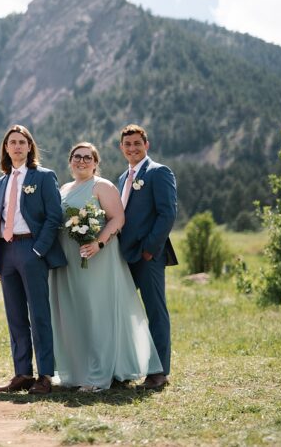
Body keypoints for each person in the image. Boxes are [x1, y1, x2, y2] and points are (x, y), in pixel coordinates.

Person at [50, 142, 163, 391]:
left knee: (97, 312)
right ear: (70, 161)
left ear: (95, 162)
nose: (82, 161)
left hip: (97, 257)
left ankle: (100, 374)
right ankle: (79, 370)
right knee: (76, 312)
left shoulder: (102, 186)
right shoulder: (64, 189)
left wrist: (97, 243)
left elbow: (118, 218)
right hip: (70, 260)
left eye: (87, 157)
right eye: (77, 157)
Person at [0, 124, 66, 396]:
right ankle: (22, 373)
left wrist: (39, 250)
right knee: (15, 317)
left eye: (22, 142)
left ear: (30, 146)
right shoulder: (1, 181)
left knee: (39, 314)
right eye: (12, 142)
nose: (17, 146)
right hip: (6, 251)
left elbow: (54, 216)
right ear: (6, 148)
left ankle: (45, 375)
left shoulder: (43, 177)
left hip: (31, 249)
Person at [117, 124, 178, 390]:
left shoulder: (159, 172)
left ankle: (158, 371)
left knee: (155, 311)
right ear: (122, 148)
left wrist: (150, 249)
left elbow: (167, 214)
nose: (132, 148)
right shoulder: (122, 178)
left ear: (146, 145)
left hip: (148, 255)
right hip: (123, 255)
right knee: (122, 312)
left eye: (137, 143)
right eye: (127, 144)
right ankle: (125, 368)